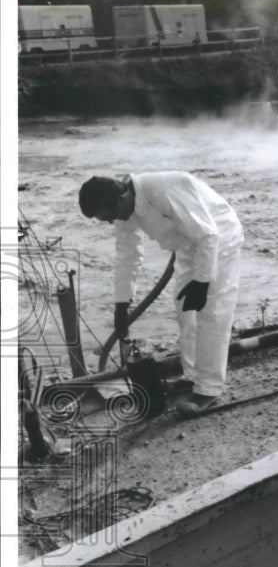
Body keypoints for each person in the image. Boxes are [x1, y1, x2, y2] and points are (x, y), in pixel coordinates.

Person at [79, 172, 244, 416]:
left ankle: (208, 390)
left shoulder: (164, 190)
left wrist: (202, 282)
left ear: (121, 198)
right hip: (188, 247)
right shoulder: (123, 208)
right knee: (185, 309)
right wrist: (121, 304)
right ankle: (191, 377)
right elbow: (128, 255)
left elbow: (208, 235)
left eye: (110, 217)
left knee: (212, 312)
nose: (112, 222)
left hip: (220, 239)